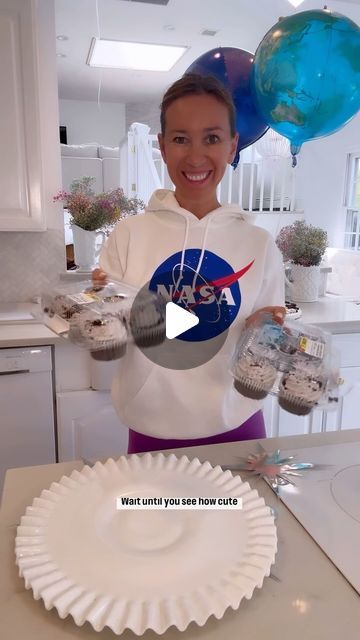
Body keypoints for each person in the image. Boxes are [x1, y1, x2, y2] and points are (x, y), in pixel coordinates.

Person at [93, 73, 285, 454]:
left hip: (239, 425)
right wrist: (97, 316)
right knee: (152, 513)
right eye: (181, 139)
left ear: (232, 147)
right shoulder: (129, 235)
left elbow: (262, 352)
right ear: (162, 147)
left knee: (239, 515)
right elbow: (105, 350)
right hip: (151, 427)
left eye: (211, 138)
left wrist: (264, 333)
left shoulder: (259, 245)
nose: (196, 156)